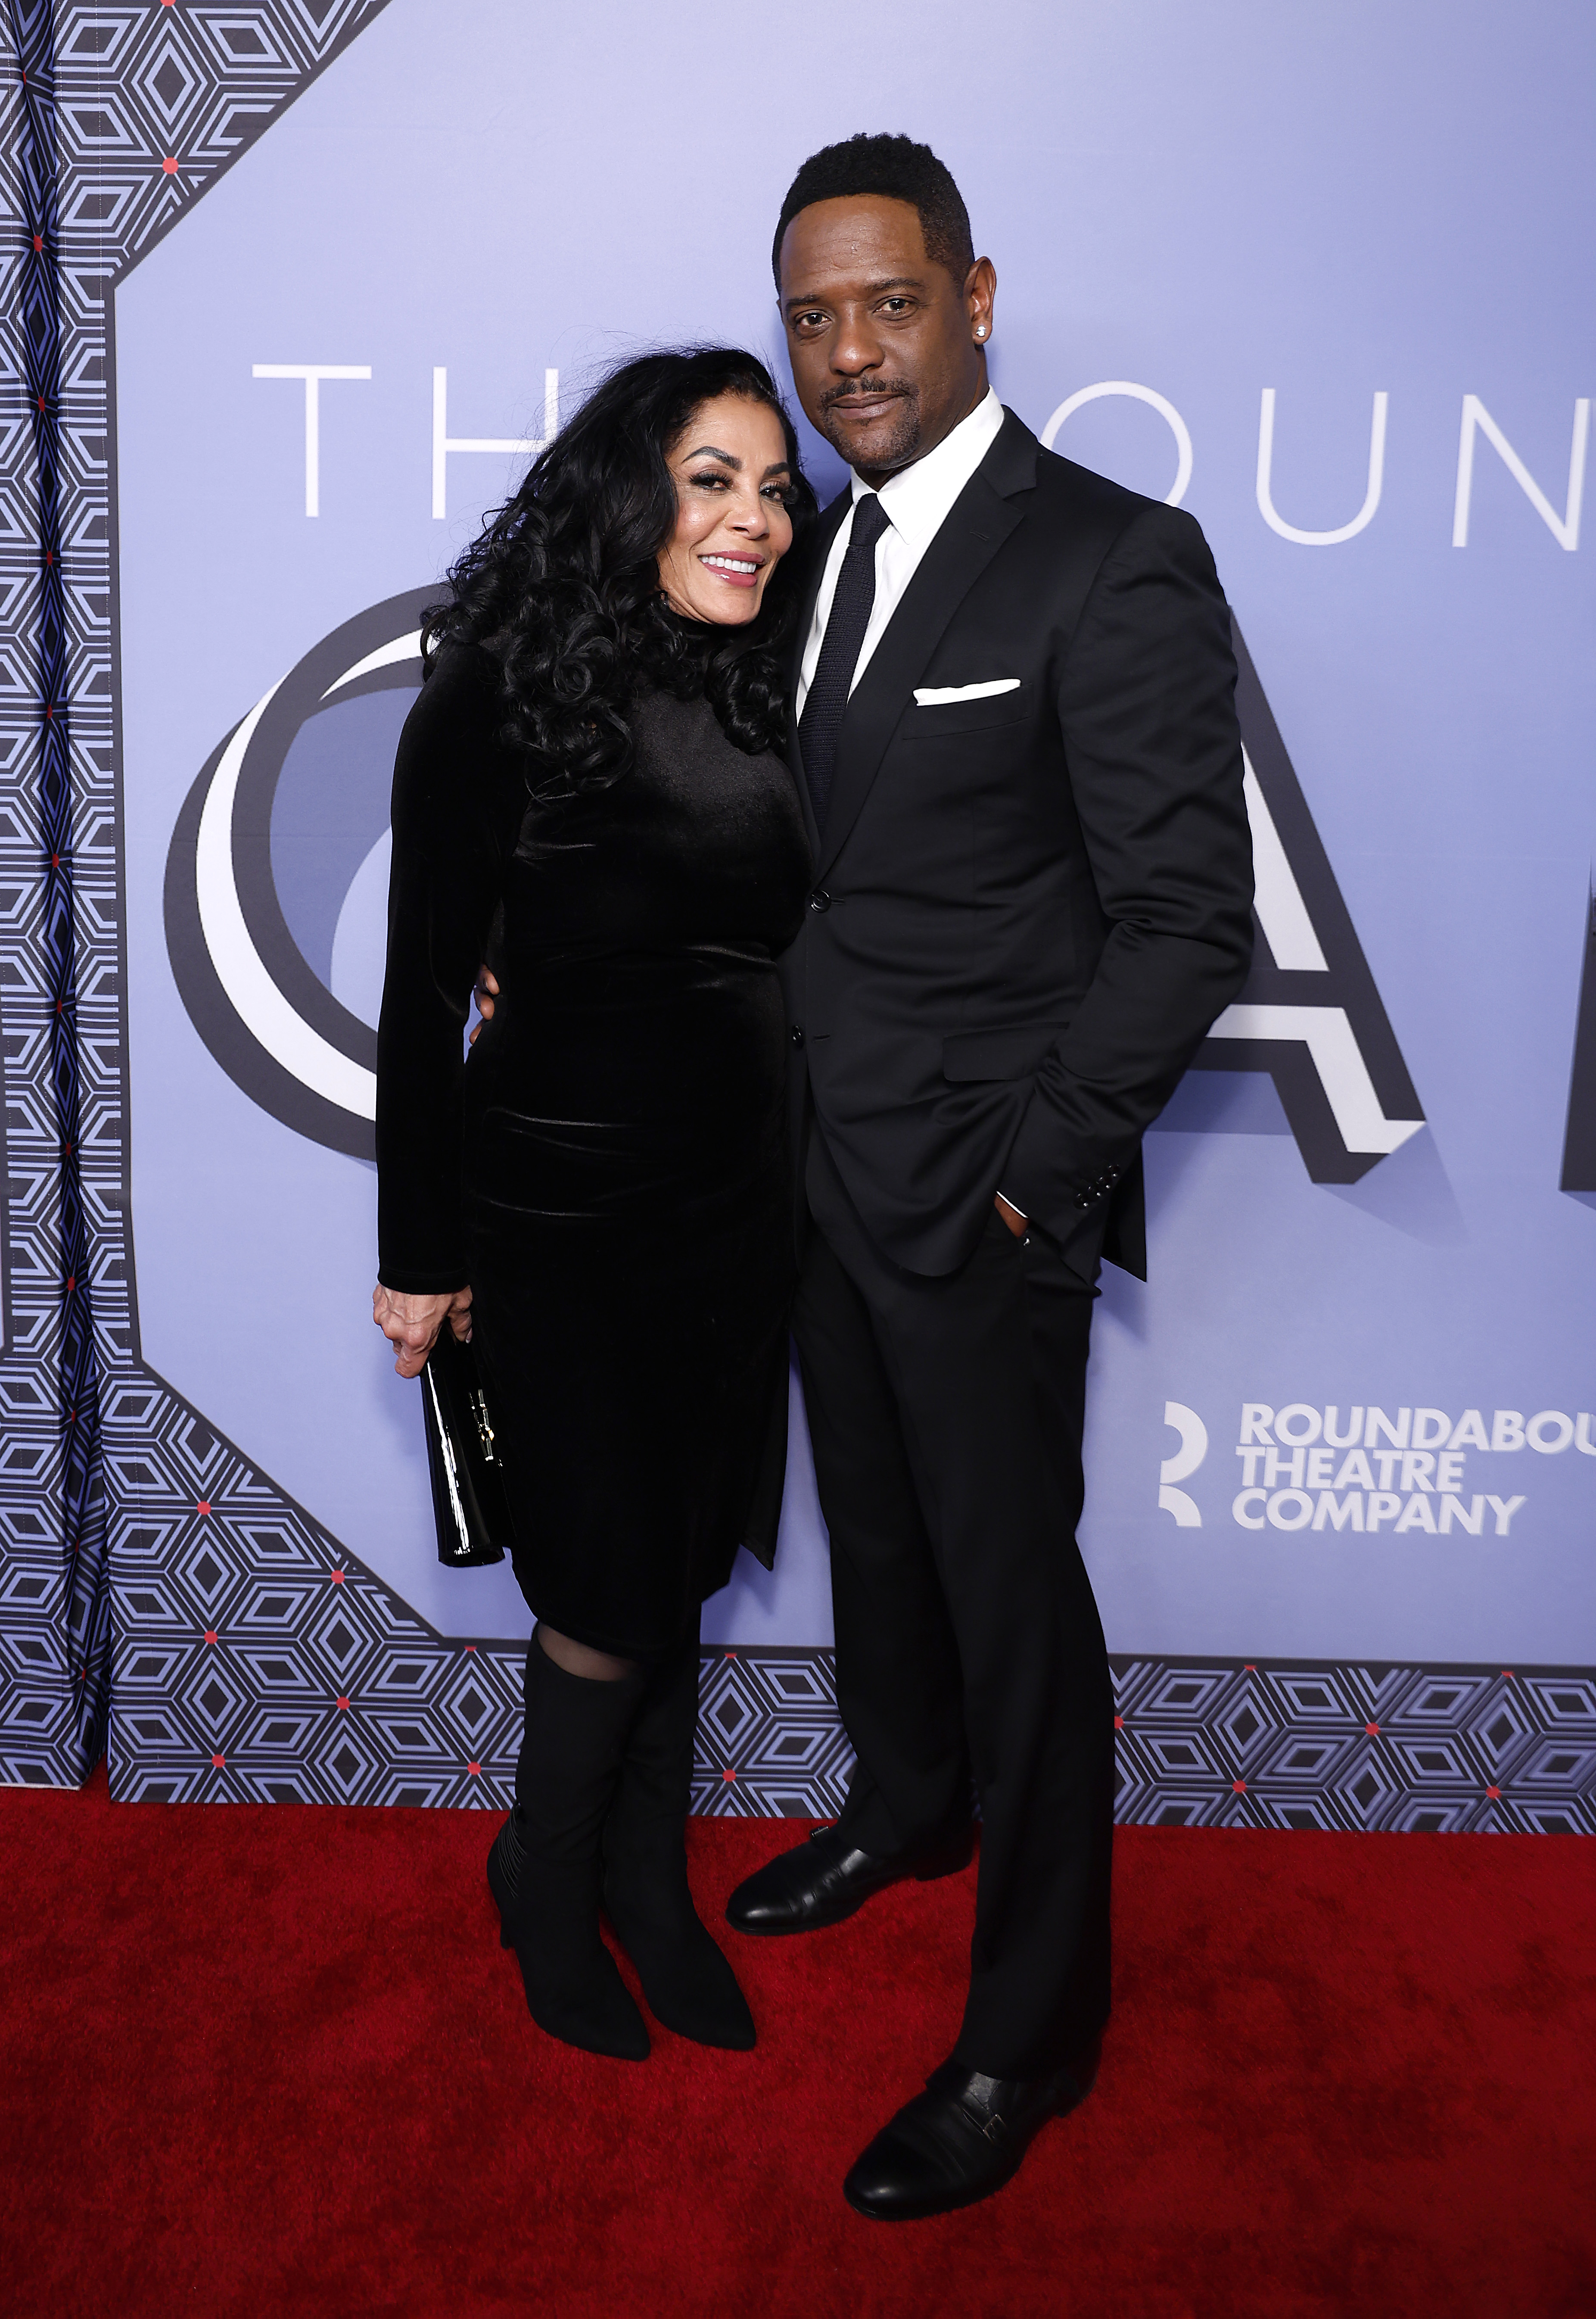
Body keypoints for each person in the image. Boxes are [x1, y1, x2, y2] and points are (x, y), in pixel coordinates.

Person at [716, 134, 1255, 2217]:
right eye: (814, 314)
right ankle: (905, 1806)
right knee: (875, 1531)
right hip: (818, 1174)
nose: (848, 351)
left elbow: (1186, 920)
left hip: (984, 1197)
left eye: (889, 302)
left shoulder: (1111, 556)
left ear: (976, 294)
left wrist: (1039, 1183)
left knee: (1020, 1605)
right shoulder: (808, 554)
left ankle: (1030, 2029)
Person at [371, 349, 815, 2062]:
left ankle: (647, 1881)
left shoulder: (782, 675)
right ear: (630, 489)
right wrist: (422, 1255)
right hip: (552, 1214)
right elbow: (421, 999)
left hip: (737, 1206)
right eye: (713, 479)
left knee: (682, 1560)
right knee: (606, 1581)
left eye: (774, 488)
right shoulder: (488, 695)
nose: (753, 520)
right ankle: (547, 1875)